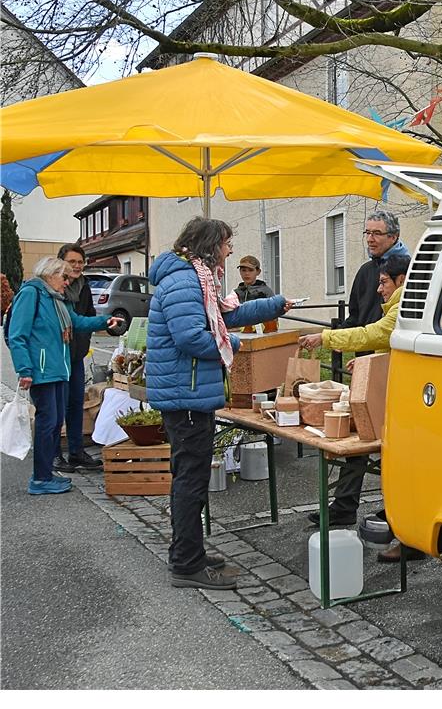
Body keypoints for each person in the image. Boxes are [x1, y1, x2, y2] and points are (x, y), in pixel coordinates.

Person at [147, 217, 291, 590]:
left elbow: (227, 315)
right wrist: (235, 346)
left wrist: (275, 305)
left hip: (189, 392)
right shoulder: (184, 281)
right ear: (210, 246)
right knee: (191, 481)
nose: (229, 253)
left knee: (189, 478)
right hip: (187, 396)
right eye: (226, 245)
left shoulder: (198, 279)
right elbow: (193, 338)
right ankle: (187, 564)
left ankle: (187, 550)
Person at [297, 253, 421, 562]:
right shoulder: (398, 305)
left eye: (383, 282)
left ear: (401, 280)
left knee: (398, 468)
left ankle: (408, 536)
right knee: (364, 449)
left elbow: (373, 334)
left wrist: (324, 337)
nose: (379, 289)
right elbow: (386, 348)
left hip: (402, 402)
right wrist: (366, 362)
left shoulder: (404, 308)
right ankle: (349, 509)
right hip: (391, 397)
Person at [7, 257, 122, 495]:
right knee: (47, 424)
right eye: (64, 277)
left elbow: (76, 321)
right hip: (42, 372)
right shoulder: (32, 294)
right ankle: (40, 478)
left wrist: (104, 321)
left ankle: (45, 474)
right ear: (50, 274)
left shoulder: (57, 300)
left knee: (55, 422)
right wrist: (25, 370)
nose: (67, 282)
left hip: (59, 370)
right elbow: (18, 335)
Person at [54, 244, 104, 472]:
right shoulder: (53, 287)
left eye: (80, 262)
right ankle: (54, 454)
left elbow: (88, 316)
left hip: (76, 355)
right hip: (56, 356)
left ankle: (76, 452)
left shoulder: (83, 287)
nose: (76, 266)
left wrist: (104, 325)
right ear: (61, 262)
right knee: (56, 406)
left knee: (75, 404)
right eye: (72, 261)